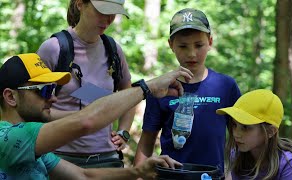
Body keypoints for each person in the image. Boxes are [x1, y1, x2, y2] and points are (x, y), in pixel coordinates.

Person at [0, 53, 193, 179]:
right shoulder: (12, 138)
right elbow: (86, 121)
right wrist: (148, 87)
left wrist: (138, 171)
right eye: (43, 90)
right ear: (10, 97)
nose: (52, 98)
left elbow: (84, 176)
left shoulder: (30, 146)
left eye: (52, 89)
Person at [134, 8, 241, 174]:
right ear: (171, 45)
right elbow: (147, 141)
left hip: (214, 176)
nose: (192, 54)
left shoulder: (226, 86)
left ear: (210, 42)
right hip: (172, 176)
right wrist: (138, 175)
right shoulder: (161, 89)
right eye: (183, 46)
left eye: (199, 45)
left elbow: (241, 137)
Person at [36, 0, 134, 168]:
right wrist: (84, 119)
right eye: (102, 11)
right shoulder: (53, 49)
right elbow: (34, 108)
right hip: (59, 158)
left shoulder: (113, 50)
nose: (108, 19)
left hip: (106, 158)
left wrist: (123, 131)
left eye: (113, 13)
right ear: (80, 4)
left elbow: (129, 93)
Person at [216, 89, 292, 180]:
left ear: (270, 131)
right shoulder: (237, 154)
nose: (236, 133)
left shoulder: (290, 164)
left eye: (245, 127)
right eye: (234, 125)